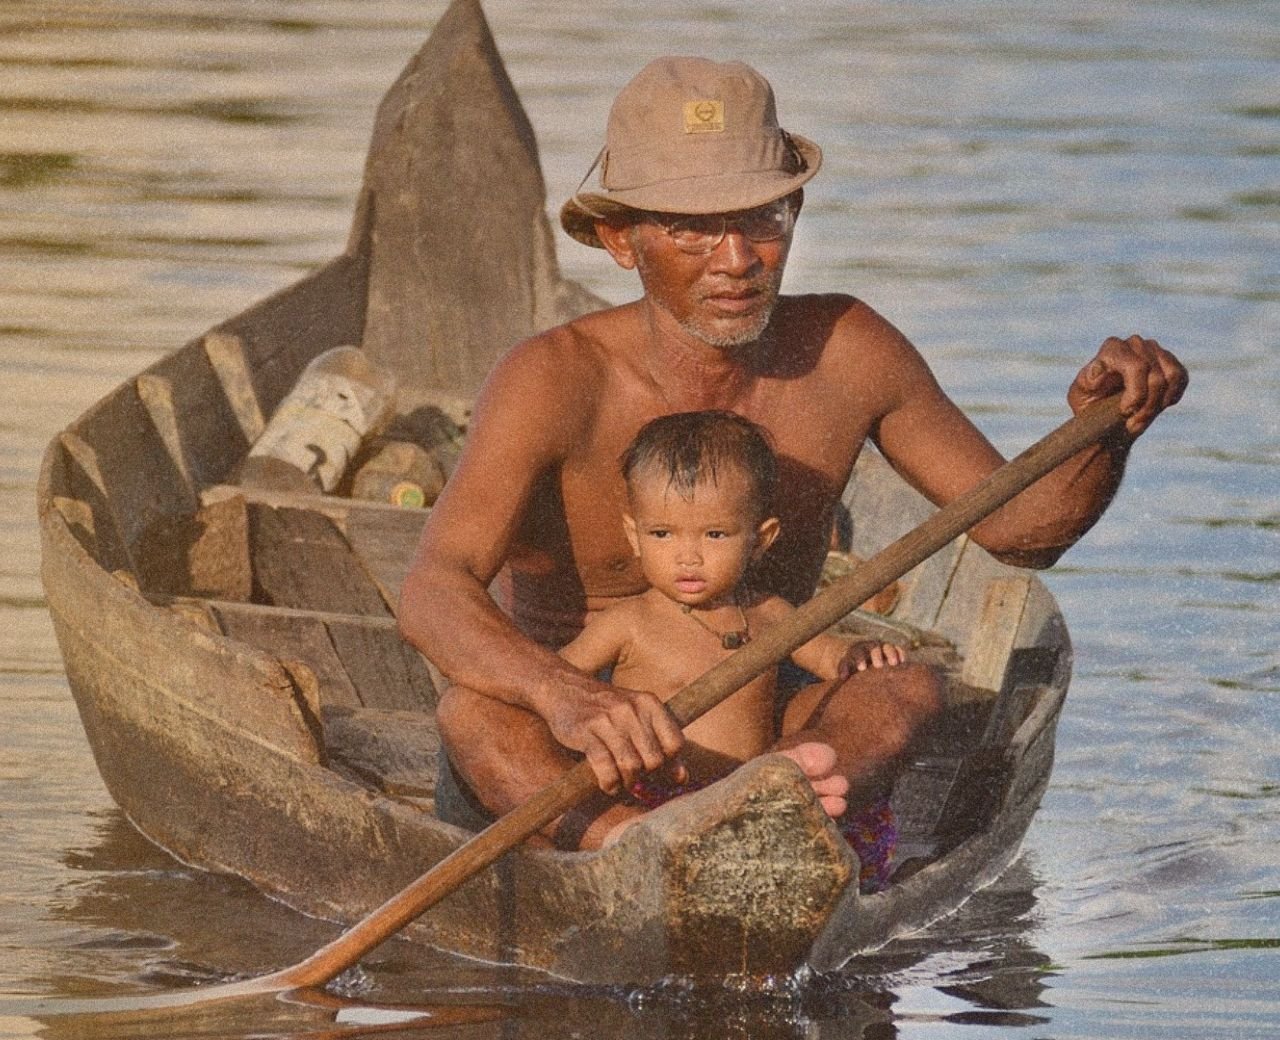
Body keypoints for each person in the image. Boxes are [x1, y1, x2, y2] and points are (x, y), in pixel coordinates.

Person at [400, 56, 1187, 853]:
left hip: (763, 722)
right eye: (692, 227)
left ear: (796, 210)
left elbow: (1026, 530)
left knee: (903, 688)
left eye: (763, 218)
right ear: (620, 240)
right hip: (578, 745)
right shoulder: (552, 377)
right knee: (472, 712)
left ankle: (761, 822)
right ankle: (632, 848)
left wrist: (1106, 430)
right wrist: (563, 693)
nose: (738, 258)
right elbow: (433, 589)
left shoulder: (848, 350)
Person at [556, 409, 907, 882]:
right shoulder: (627, 623)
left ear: (761, 540)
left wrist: (858, 654)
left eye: (715, 534)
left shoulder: (769, 615)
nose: (688, 556)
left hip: (746, 797)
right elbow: (563, 683)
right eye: (662, 534)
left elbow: (827, 656)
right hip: (654, 798)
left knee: (840, 824)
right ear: (633, 537)